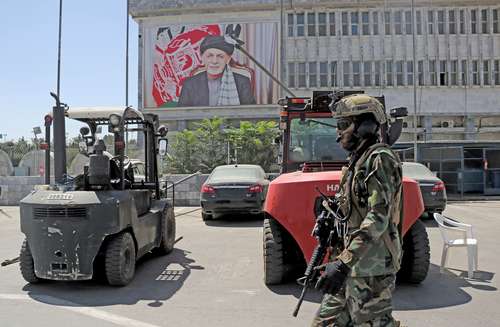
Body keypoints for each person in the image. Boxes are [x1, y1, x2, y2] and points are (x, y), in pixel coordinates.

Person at [311, 94, 404, 327]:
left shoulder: (380, 159)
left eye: (343, 125)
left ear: (366, 125)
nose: (338, 133)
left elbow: (378, 217)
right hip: (352, 264)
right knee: (325, 322)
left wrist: (343, 264)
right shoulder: (359, 161)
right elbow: (357, 209)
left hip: (371, 267)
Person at [177, 35, 256, 107]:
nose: (214, 61)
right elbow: (181, 115)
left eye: (220, 56)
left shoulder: (243, 82)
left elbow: (250, 115)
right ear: (202, 57)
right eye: (210, 56)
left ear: (228, 59)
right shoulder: (190, 84)